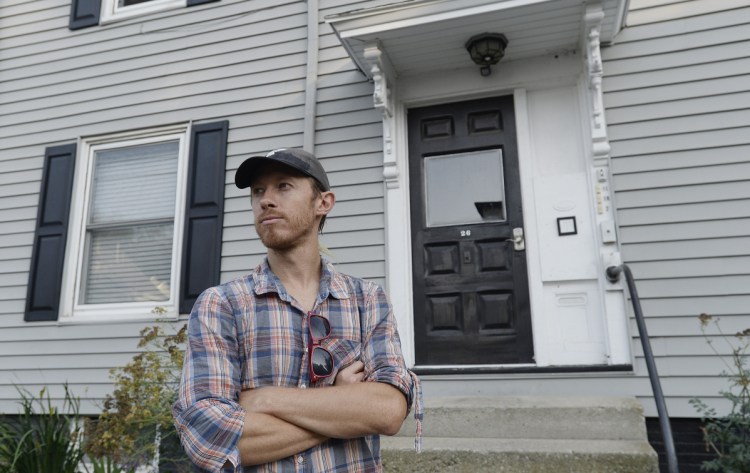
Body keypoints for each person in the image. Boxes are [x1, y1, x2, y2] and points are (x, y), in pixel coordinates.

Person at [173, 148, 421, 472]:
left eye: (284, 186)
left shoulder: (367, 301)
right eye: (258, 191)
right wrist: (341, 406)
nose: (266, 200)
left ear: (323, 202)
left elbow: (388, 411)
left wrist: (265, 399)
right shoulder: (222, 306)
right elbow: (208, 436)